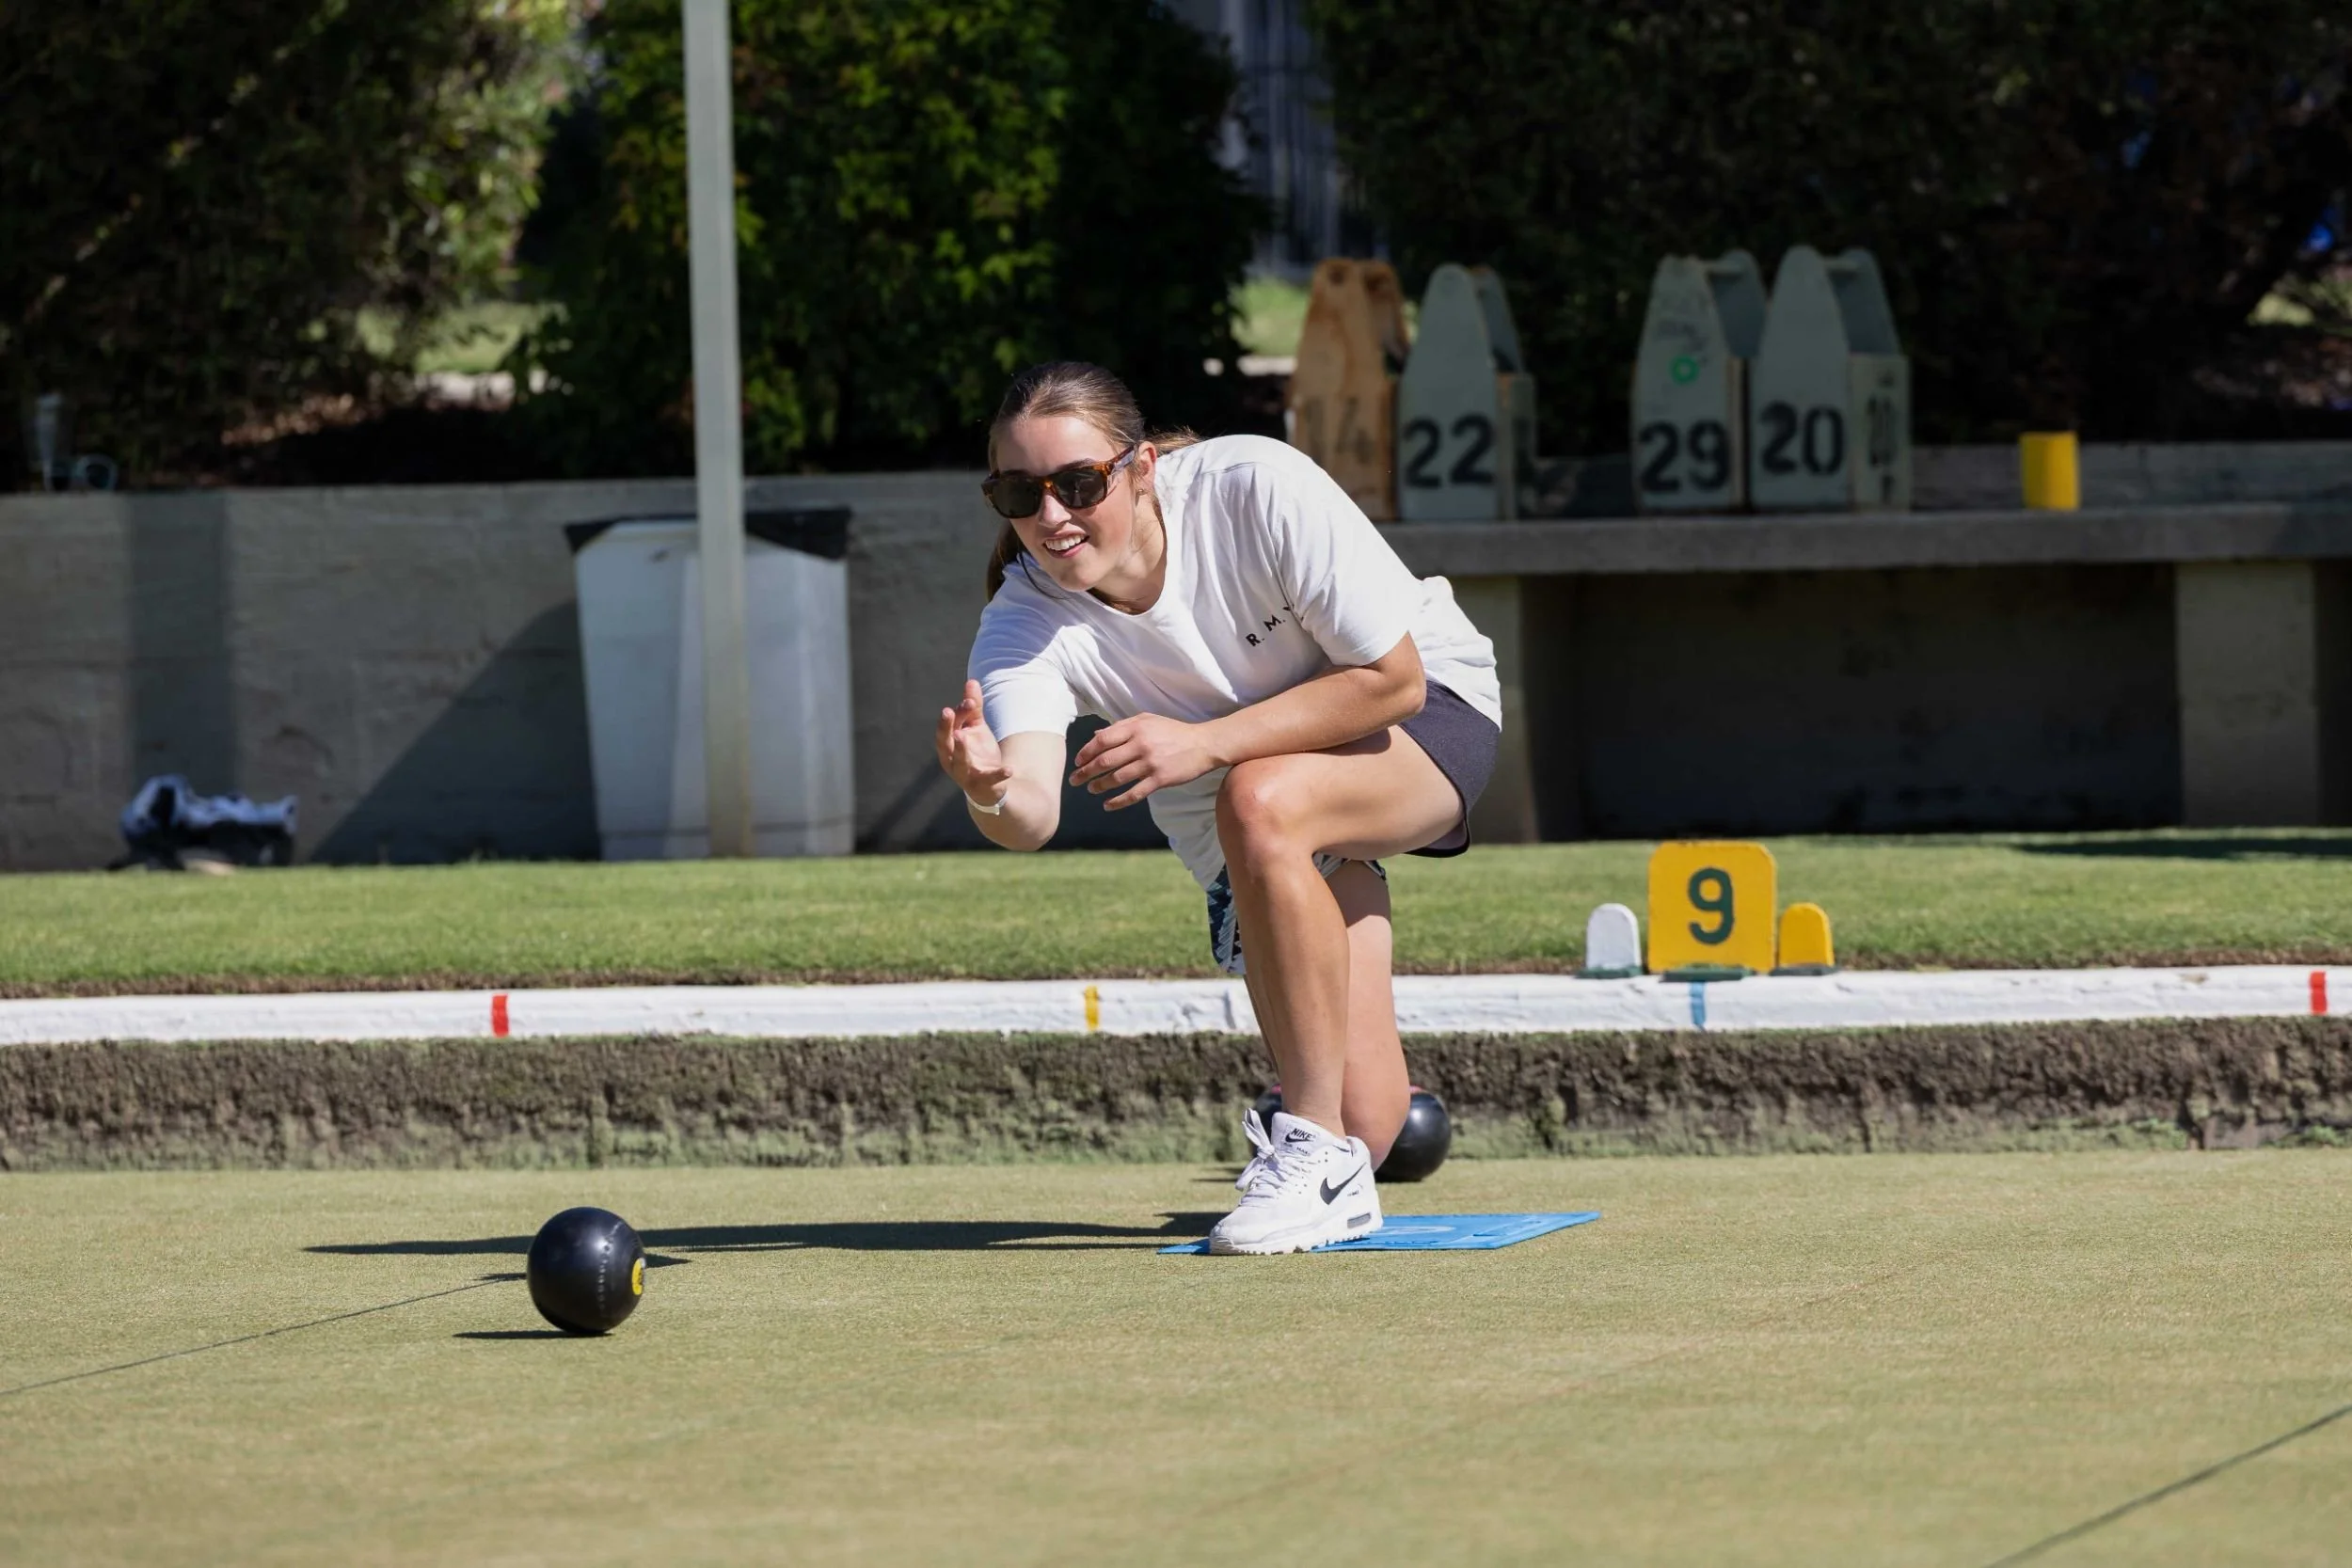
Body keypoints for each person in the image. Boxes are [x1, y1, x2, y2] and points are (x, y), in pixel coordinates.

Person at [935, 362, 1501, 1255]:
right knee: (1373, 1120)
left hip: (1422, 710)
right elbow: (1032, 812)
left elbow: (1393, 681)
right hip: (1250, 821)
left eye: (1078, 483)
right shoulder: (1023, 622)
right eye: (1018, 492)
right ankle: (1340, 1109)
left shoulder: (1253, 486)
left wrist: (1207, 742)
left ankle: (1312, 1156)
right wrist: (988, 788)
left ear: (1141, 468)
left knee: (1260, 793)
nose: (1051, 516)